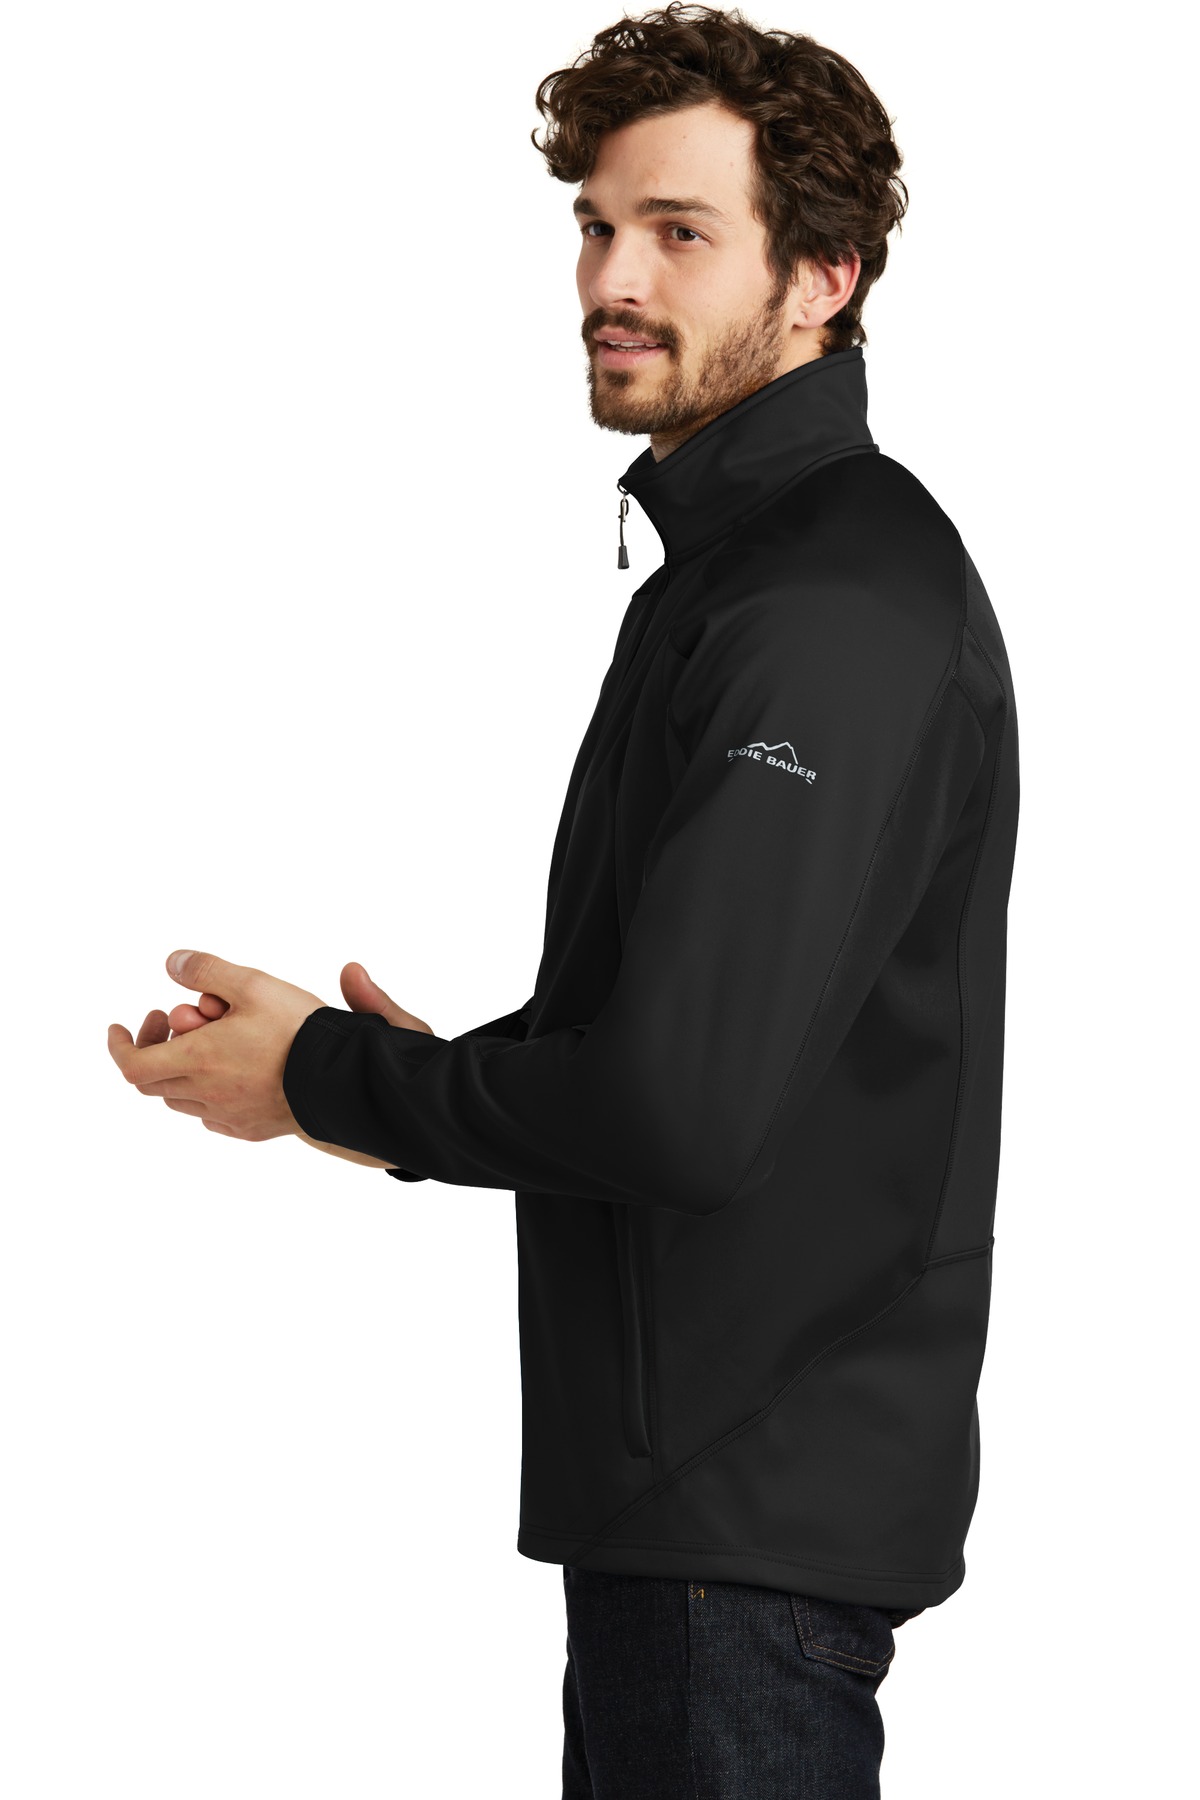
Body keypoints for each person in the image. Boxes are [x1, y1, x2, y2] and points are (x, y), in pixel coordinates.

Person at [108, 6, 1020, 1794]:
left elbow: (682, 1109)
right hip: (703, 1527)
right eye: (597, 227)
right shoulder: (735, 575)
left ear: (824, 276)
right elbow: (673, 1031)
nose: (613, 277)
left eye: (680, 232)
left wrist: (332, 1079)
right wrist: (370, 1094)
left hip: (744, 1531)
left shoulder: (827, 605)